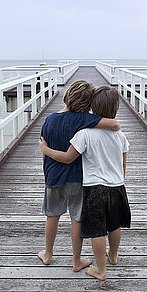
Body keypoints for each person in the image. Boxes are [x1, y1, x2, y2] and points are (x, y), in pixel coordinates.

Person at [39, 86, 130, 280]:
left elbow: (58, 151)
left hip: (57, 178)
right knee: (81, 220)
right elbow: (115, 128)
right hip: (90, 181)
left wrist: (44, 152)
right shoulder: (86, 121)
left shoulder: (51, 120)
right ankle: (78, 260)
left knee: (53, 216)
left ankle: (47, 253)